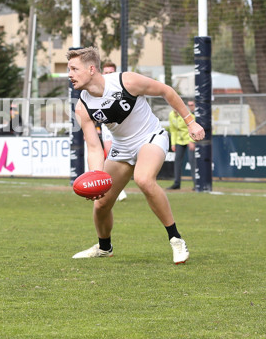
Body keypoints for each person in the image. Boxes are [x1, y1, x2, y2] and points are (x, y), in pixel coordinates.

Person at [66, 47, 204, 264]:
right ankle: (104, 248)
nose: (70, 74)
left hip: (150, 137)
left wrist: (190, 121)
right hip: (122, 148)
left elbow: (166, 91)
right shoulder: (82, 107)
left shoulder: (125, 82)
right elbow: (94, 147)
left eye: (74, 69)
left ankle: (176, 239)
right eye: (69, 69)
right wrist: (96, 176)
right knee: (101, 203)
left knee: (143, 179)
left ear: (91, 69)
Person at [100, 60, 126, 202]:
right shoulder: (98, 89)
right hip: (107, 127)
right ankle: (116, 189)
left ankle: (117, 186)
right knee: (110, 154)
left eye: (111, 72)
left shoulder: (121, 86)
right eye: (106, 72)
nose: (109, 75)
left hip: (123, 127)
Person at [167, 100, 196, 190]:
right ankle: (177, 183)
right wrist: (173, 143)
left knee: (192, 161)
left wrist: (191, 141)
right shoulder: (171, 115)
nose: (174, 108)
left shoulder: (187, 115)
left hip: (188, 139)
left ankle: (196, 184)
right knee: (177, 161)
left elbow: (192, 127)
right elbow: (173, 130)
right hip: (179, 141)